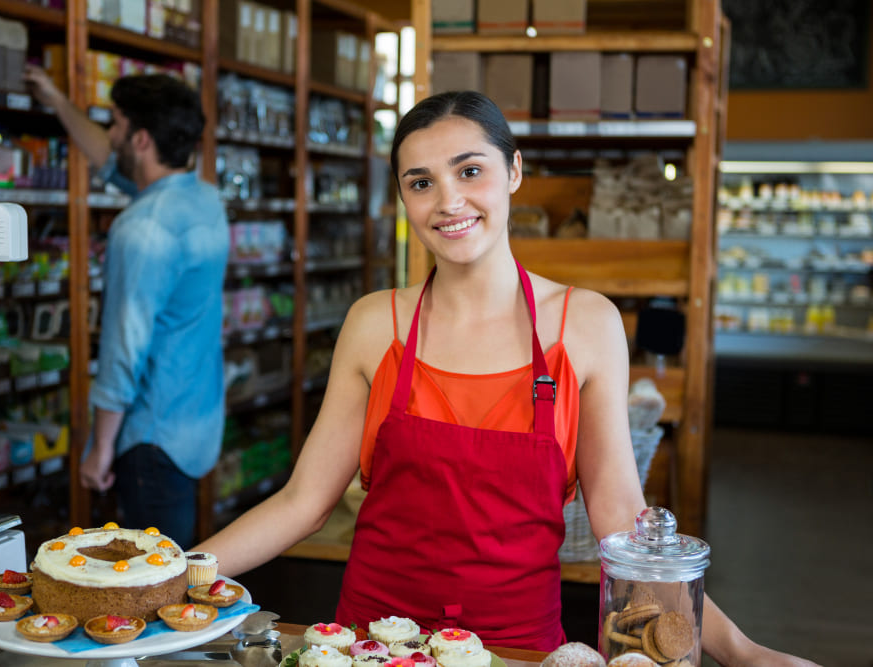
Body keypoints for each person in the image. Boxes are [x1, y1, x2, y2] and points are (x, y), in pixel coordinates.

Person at [190, 91, 815, 664]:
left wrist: (743, 651)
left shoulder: (586, 325)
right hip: (369, 644)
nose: (448, 202)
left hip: (518, 651)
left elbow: (621, 520)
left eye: (470, 171)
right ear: (404, 199)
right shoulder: (375, 323)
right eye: (421, 183)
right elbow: (304, 501)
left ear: (513, 171)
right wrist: (177, 570)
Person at [24, 65, 229, 550]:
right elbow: (110, 159)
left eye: (115, 123)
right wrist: (57, 101)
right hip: (195, 426)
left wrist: (100, 449)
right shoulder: (205, 200)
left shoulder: (140, 229)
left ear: (140, 139)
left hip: (148, 436)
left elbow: (122, 350)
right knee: (173, 566)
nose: (109, 133)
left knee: (143, 580)